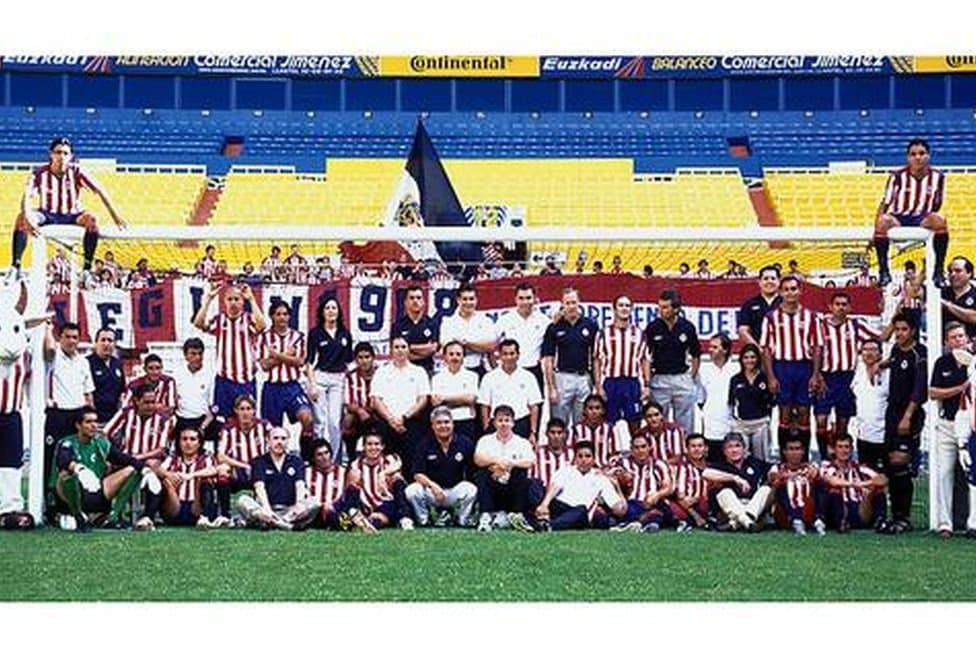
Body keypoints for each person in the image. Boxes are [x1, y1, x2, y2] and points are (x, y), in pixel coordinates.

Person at [11, 137, 128, 274]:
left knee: (92, 220)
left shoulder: (77, 171)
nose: (61, 156)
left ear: (71, 156)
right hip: (47, 214)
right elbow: (27, 196)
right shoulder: (39, 173)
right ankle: (15, 267)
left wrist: (115, 215)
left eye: (65, 153)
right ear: (51, 154)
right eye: (58, 152)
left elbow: (100, 190)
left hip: (73, 215)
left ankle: (86, 268)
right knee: (22, 218)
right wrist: (28, 216)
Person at [49, 407, 158, 532]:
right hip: (71, 496)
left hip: (96, 490)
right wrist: (80, 470)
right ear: (78, 425)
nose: (94, 425)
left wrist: (146, 470)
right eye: (88, 422)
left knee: (132, 470)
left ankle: (112, 517)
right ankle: (78, 517)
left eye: (95, 421)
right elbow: (64, 461)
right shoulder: (67, 443)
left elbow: (125, 459)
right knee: (66, 475)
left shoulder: (101, 443)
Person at [760, 275, 823, 456]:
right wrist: (771, 377)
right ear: (780, 292)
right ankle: (784, 457)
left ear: (800, 291)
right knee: (784, 412)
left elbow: (817, 347)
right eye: (786, 289)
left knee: (804, 411)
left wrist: (815, 375)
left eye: (793, 289)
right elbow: (766, 349)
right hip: (782, 368)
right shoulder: (771, 317)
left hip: (804, 367)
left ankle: (803, 457)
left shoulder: (811, 316)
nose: (790, 293)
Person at [814, 290, 882, 458]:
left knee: (842, 422)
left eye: (844, 304)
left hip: (846, 378)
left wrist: (895, 316)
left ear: (850, 307)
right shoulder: (820, 325)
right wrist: (817, 375)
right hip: (825, 377)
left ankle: (840, 457)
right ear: (830, 307)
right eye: (837, 304)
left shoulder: (856, 325)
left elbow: (880, 337)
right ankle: (824, 456)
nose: (841, 307)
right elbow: (812, 350)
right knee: (821, 420)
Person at [873, 138, 948, 286]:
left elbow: (937, 203)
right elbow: (886, 202)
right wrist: (876, 228)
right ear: (908, 157)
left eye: (922, 153)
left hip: (922, 217)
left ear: (928, 156)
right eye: (913, 154)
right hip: (899, 216)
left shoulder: (938, 177)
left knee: (940, 220)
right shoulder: (897, 176)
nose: (918, 157)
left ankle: (938, 270)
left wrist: (929, 217)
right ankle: (884, 271)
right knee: (882, 221)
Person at [877, 311, 927, 534]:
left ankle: (903, 517)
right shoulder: (897, 350)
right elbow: (893, 362)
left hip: (909, 413)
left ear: (913, 331)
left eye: (904, 329)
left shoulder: (920, 353)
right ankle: (894, 515)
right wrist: (880, 365)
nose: (899, 333)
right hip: (892, 412)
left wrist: (908, 416)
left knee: (900, 463)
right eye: (897, 329)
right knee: (889, 462)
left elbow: (919, 387)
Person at [512, 441, 626, 533]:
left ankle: (543, 525)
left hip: (577, 514)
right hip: (558, 507)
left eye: (587, 456)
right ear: (575, 458)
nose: (584, 460)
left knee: (581, 510)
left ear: (593, 459)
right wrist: (544, 505)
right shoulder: (566, 471)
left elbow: (620, 510)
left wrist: (617, 487)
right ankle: (530, 518)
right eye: (580, 456)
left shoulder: (601, 479)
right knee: (534, 483)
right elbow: (554, 488)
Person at [42, 320, 94, 520]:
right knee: (52, 459)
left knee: (75, 460)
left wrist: (91, 416)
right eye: (68, 337)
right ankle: (50, 505)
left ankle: (72, 505)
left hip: (78, 414)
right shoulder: (53, 356)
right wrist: (48, 328)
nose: (72, 341)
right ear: (60, 338)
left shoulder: (83, 362)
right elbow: (48, 349)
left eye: (75, 337)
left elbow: (88, 392)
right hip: (58, 414)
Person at [192, 282, 266, 421]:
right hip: (224, 381)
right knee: (223, 421)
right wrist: (208, 298)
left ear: (242, 302)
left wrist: (251, 299)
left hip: (246, 380)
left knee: (246, 420)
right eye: (229, 299)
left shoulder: (248, 318)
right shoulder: (219, 320)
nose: (233, 302)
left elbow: (262, 326)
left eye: (237, 299)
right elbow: (198, 323)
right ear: (224, 302)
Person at [929, 321, 972, 537]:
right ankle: (945, 523)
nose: (958, 341)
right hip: (947, 423)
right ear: (947, 342)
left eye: (960, 336)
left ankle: (972, 523)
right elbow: (933, 392)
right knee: (944, 472)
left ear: (967, 339)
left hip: (970, 425)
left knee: (972, 474)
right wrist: (960, 389)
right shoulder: (942, 363)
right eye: (953, 337)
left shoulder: (974, 362)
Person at [257, 300, 315, 459]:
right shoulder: (264, 337)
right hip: (272, 388)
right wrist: (287, 356)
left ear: (289, 316)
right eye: (278, 314)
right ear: (272, 316)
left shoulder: (298, 337)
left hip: (292, 386)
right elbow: (264, 365)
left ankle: (306, 458)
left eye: (285, 314)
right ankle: (274, 461)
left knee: (308, 419)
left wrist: (276, 355)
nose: (282, 317)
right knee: (271, 429)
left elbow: (300, 361)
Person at [406, 406, 478, 527]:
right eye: (438, 423)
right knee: (412, 491)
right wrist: (432, 486)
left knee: (471, 489)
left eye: (446, 422)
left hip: (453, 491)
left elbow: (473, 470)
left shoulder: (465, 443)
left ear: (453, 424)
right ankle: (424, 520)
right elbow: (417, 474)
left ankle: (461, 519)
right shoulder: (423, 444)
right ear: (433, 426)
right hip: (432, 492)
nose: (443, 426)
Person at [236, 427, 320, 531]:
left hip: (290, 511)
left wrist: (298, 505)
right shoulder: (259, 462)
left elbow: (300, 485)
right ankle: (286, 525)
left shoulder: (296, 461)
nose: (279, 442)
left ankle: (275, 523)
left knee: (315, 502)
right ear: (268, 441)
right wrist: (267, 509)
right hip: (266, 509)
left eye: (283, 439)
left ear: (288, 441)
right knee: (242, 500)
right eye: (275, 438)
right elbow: (259, 487)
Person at [370, 336, 430, 477]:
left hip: (411, 422)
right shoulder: (382, 372)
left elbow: (423, 399)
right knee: (388, 463)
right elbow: (376, 399)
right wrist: (391, 419)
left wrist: (404, 417)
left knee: (412, 462)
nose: (400, 350)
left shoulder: (419, 372)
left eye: (403, 347)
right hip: (387, 423)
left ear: (408, 350)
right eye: (396, 347)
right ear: (391, 350)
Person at [645, 288, 700, 434]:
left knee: (685, 424)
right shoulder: (653, 327)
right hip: (659, 379)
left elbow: (696, 354)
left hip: (681, 378)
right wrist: (647, 382)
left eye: (665, 307)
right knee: (657, 422)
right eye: (659, 307)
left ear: (676, 309)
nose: (661, 310)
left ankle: (684, 447)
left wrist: (691, 377)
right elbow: (646, 357)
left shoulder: (687, 327)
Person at [542, 287, 599, 424]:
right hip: (562, 378)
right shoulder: (554, 327)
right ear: (562, 304)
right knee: (559, 423)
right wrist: (551, 388)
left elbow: (596, 357)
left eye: (574, 302)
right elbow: (548, 359)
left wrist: (596, 383)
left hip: (584, 378)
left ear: (579, 302)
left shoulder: (590, 325)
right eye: (567, 303)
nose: (571, 306)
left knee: (582, 423)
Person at [473, 405, 534, 532]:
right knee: (481, 474)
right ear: (494, 422)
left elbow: (530, 461)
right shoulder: (485, 440)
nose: (503, 424)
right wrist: (497, 462)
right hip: (493, 483)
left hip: (512, 485)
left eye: (507, 420)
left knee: (521, 474)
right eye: (500, 420)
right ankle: (486, 515)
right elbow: (478, 459)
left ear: (513, 423)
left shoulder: (522, 442)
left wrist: (510, 464)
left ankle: (517, 514)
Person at [594, 294, 650, 427]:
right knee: (608, 422)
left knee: (634, 422)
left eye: (627, 306)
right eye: (621, 305)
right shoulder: (603, 333)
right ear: (614, 309)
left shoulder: (640, 333)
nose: (624, 308)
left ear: (631, 309)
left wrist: (647, 385)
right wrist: (598, 386)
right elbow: (597, 360)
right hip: (611, 382)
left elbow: (645, 360)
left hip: (632, 383)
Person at [215, 394, 272, 521]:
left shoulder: (264, 426)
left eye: (248, 409)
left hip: (261, 470)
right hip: (238, 471)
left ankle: (269, 511)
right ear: (236, 411)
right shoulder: (228, 429)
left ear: (254, 410)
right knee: (223, 469)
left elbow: (274, 448)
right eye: (242, 409)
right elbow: (221, 456)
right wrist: (244, 466)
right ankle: (225, 515)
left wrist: (258, 466)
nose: (245, 413)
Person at [704, 433, 773, 532]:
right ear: (724, 451)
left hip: (753, 505)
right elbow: (706, 473)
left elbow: (774, 469)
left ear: (744, 449)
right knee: (725, 492)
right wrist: (734, 478)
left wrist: (773, 474)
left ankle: (738, 523)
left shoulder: (754, 462)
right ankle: (748, 522)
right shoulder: (720, 465)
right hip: (731, 506)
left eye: (737, 446)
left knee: (766, 489)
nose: (734, 450)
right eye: (730, 447)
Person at [478, 339, 542, 443]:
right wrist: (486, 428)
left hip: (521, 423)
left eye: (512, 353)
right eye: (505, 354)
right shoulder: (489, 377)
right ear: (500, 355)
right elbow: (484, 405)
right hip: (497, 424)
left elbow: (534, 406)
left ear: (518, 355)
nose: (509, 357)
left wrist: (533, 432)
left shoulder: (528, 377)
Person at [820, 434, 888, 532]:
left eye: (847, 447)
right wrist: (855, 484)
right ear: (834, 450)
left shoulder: (859, 468)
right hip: (840, 506)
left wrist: (866, 485)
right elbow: (832, 481)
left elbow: (883, 479)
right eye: (840, 447)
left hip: (860, 507)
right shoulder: (828, 468)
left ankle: (880, 522)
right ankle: (841, 522)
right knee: (834, 492)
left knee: (878, 490)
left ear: (852, 449)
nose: (844, 451)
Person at [348, 430, 413, 530]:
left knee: (397, 478)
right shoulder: (356, 464)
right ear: (364, 447)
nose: (373, 447)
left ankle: (405, 518)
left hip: (387, 502)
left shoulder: (390, 460)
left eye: (377, 444)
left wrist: (383, 473)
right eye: (369, 444)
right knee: (353, 481)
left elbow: (398, 465)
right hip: (365, 503)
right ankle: (358, 516)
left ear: (382, 446)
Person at [156, 427, 221, 529]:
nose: (188, 443)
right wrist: (168, 474)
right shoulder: (173, 458)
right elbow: (159, 469)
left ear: (199, 443)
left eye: (192, 439)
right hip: (174, 507)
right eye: (184, 439)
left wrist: (192, 475)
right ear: (179, 442)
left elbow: (214, 469)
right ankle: (150, 517)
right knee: (166, 481)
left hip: (197, 505)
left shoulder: (206, 458)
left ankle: (204, 518)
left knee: (205, 481)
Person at [304, 439, 373, 532]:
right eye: (319, 455)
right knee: (328, 512)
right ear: (313, 458)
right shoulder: (306, 472)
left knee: (353, 486)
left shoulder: (343, 471)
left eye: (326, 453)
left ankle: (351, 520)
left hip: (338, 508)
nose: (324, 457)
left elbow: (349, 496)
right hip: (316, 513)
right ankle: (351, 523)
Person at [610, 434, 674, 532]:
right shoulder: (623, 463)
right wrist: (621, 479)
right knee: (629, 508)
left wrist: (657, 495)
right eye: (636, 448)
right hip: (631, 502)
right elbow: (609, 477)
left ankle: (637, 522)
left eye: (643, 447)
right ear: (631, 450)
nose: (640, 451)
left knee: (664, 508)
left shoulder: (659, 465)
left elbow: (668, 487)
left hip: (652, 502)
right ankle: (650, 520)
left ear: (649, 448)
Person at [495, 282, 551, 394]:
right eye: (521, 298)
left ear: (535, 299)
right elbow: (492, 344)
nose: (525, 302)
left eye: (528, 298)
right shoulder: (505, 320)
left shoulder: (544, 321)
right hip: (510, 370)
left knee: (536, 404)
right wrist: (495, 366)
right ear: (515, 299)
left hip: (534, 370)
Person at [103, 385, 174, 468]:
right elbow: (105, 433)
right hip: (126, 458)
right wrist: (113, 454)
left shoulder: (164, 420)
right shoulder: (125, 413)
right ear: (137, 401)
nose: (151, 406)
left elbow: (161, 449)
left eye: (153, 402)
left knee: (152, 463)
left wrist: (137, 458)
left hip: (149, 459)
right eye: (146, 402)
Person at [767, 436, 826, 535]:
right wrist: (790, 475)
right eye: (791, 449)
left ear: (803, 451)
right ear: (784, 452)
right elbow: (772, 478)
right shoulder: (777, 468)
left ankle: (818, 520)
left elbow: (819, 475)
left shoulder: (810, 467)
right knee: (780, 486)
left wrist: (814, 473)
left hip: (807, 509)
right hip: (786, 514)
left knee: (820, 484)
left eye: (797, 449)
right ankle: (796, 520)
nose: (794, 453)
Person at [728, 343, 775, 462]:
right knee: (740, 460)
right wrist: (734, 422)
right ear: (741, 360)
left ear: (758, 359)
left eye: (753, 357)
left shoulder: (765, 378)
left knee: (762, 459)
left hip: (760, 424)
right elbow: (731, 403)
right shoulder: (735, 379)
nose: (749, 360)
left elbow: (772, 402)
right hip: (741, 425)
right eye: (746, 357)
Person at [438, 284, 497, 378]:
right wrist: (479, 346)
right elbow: (448, 348)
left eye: (471, 299)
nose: (468, 302)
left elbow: (491, 346)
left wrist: (465, 343)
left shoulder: (486, 321)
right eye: (465, 299)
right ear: (458, 300)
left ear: (476, 300)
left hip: (480, 368)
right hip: (455, 370)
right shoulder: (448, 322)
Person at [172, 337, 218, 454]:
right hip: (182, 420)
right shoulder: (177, 374)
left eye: (200, 354)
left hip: (203, 421)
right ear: (185, 356)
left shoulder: (211, 375)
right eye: (193, 354)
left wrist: (202, 428)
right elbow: (172, 403)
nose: (197, 357)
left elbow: (214, 407)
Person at [849, 339, 889, 472]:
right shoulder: (857, 371)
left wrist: (881, 365)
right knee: (865, 475)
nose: (869, 353)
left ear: (881, 354)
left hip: (884, 437)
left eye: (873, 349)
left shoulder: (889, 373)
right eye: (865, 350)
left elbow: (897, 356)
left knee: (885, 477)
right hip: (863, 437)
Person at [430, 341, 480, 442]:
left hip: (466, 421)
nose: (455, 357)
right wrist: (462, 400)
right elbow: (436, 402)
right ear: (444, 357)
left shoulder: (472, 376)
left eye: (458, 354)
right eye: (451, 354)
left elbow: (471, 399)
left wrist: (445, 399)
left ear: (463, 357)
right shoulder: (437, 378)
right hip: (444, 424)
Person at [525, 418, 575, 517]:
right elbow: (530, 477)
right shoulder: (537, 452)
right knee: (532, 484)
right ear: (546, 434)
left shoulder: (573, 453)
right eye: (552, 432)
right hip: (541, 495)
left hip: (564, 497)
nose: (556, 436)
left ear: (565, 434)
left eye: (559, 433)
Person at [391, 284, 441, 375]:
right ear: (405, 302)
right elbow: (398, 353)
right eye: (411, 298)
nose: (415, 301)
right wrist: (424, 349)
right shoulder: (397, 326)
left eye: (418, 298)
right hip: (403, 371)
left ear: (423, 302)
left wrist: (410, 347)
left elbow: (433, 348)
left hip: (427, 371)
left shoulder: (432, 324)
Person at [697, 333, 735, 452]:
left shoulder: (736, 369)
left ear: (725, 350)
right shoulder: (703, 370)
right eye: (710, 347)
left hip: (732, 424)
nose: (710, 350)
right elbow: (700, 398)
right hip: (710, 424)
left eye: (715, 347)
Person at [342, 341, 378, 460]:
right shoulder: (350, 376)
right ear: (356, 360)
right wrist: (360, 411)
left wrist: (371, 410)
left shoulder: (382, 373)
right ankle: (351, 458)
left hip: (378, 414)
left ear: (373, 358)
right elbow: (348, 403)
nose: (364, 361)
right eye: (360, 357)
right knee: (348, 420)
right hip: (359, 415)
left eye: (367, 357)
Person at [668, 433, 712, 532]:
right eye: (693, 446)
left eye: (700, 446)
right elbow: (679, 495)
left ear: (706, 448)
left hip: (704, 504)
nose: (697, 449)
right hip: (684, 505)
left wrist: (697, 498)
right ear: (687, 449)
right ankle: (693, 519)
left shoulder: (712, 468)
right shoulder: (681, 467)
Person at [569, 394, 622, 467]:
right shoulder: (576, 429)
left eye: (597, 408)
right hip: (581, 468)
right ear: (584, 411)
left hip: (604, 468)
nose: (594, 412)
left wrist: (608, 467)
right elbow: (571, 452)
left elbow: (615, 454)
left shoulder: (610, 429)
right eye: (590, 408)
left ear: (603, 411)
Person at [86, 327, 125, 424]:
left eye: (110, 340)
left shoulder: (117, 364)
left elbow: (122, 391)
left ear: (114, 344)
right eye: (103, 340)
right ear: (96, 343)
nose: (106, 344)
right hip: (95, 420)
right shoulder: (86, 363)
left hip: (114, 420)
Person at [736, 265, 781, 348]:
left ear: (779, 281)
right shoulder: (749, 304)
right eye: (766, 278)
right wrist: (758, 349)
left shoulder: (787, 303)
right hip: (758, 352)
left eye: (773, 278)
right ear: (759, 282)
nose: (769, 281)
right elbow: (743, 330)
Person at [632, 400, 684, 466]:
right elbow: (638, 457)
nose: (653, 419)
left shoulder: (674, 430)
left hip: (672, 467)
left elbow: (678, 457)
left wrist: (660, 466)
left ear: (662, 415)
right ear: (645, 418)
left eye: (656, 415)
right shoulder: (641, 434)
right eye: (649, 416)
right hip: (649, 468)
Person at [939, 256, 976, 340]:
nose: (953, 274)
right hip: (942, 344)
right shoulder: (940, 292)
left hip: (970, 345)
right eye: (950, 271)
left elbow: (973, 317)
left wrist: (947, 305)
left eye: (958, 271)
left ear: (969, 273)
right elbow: (915, 292)